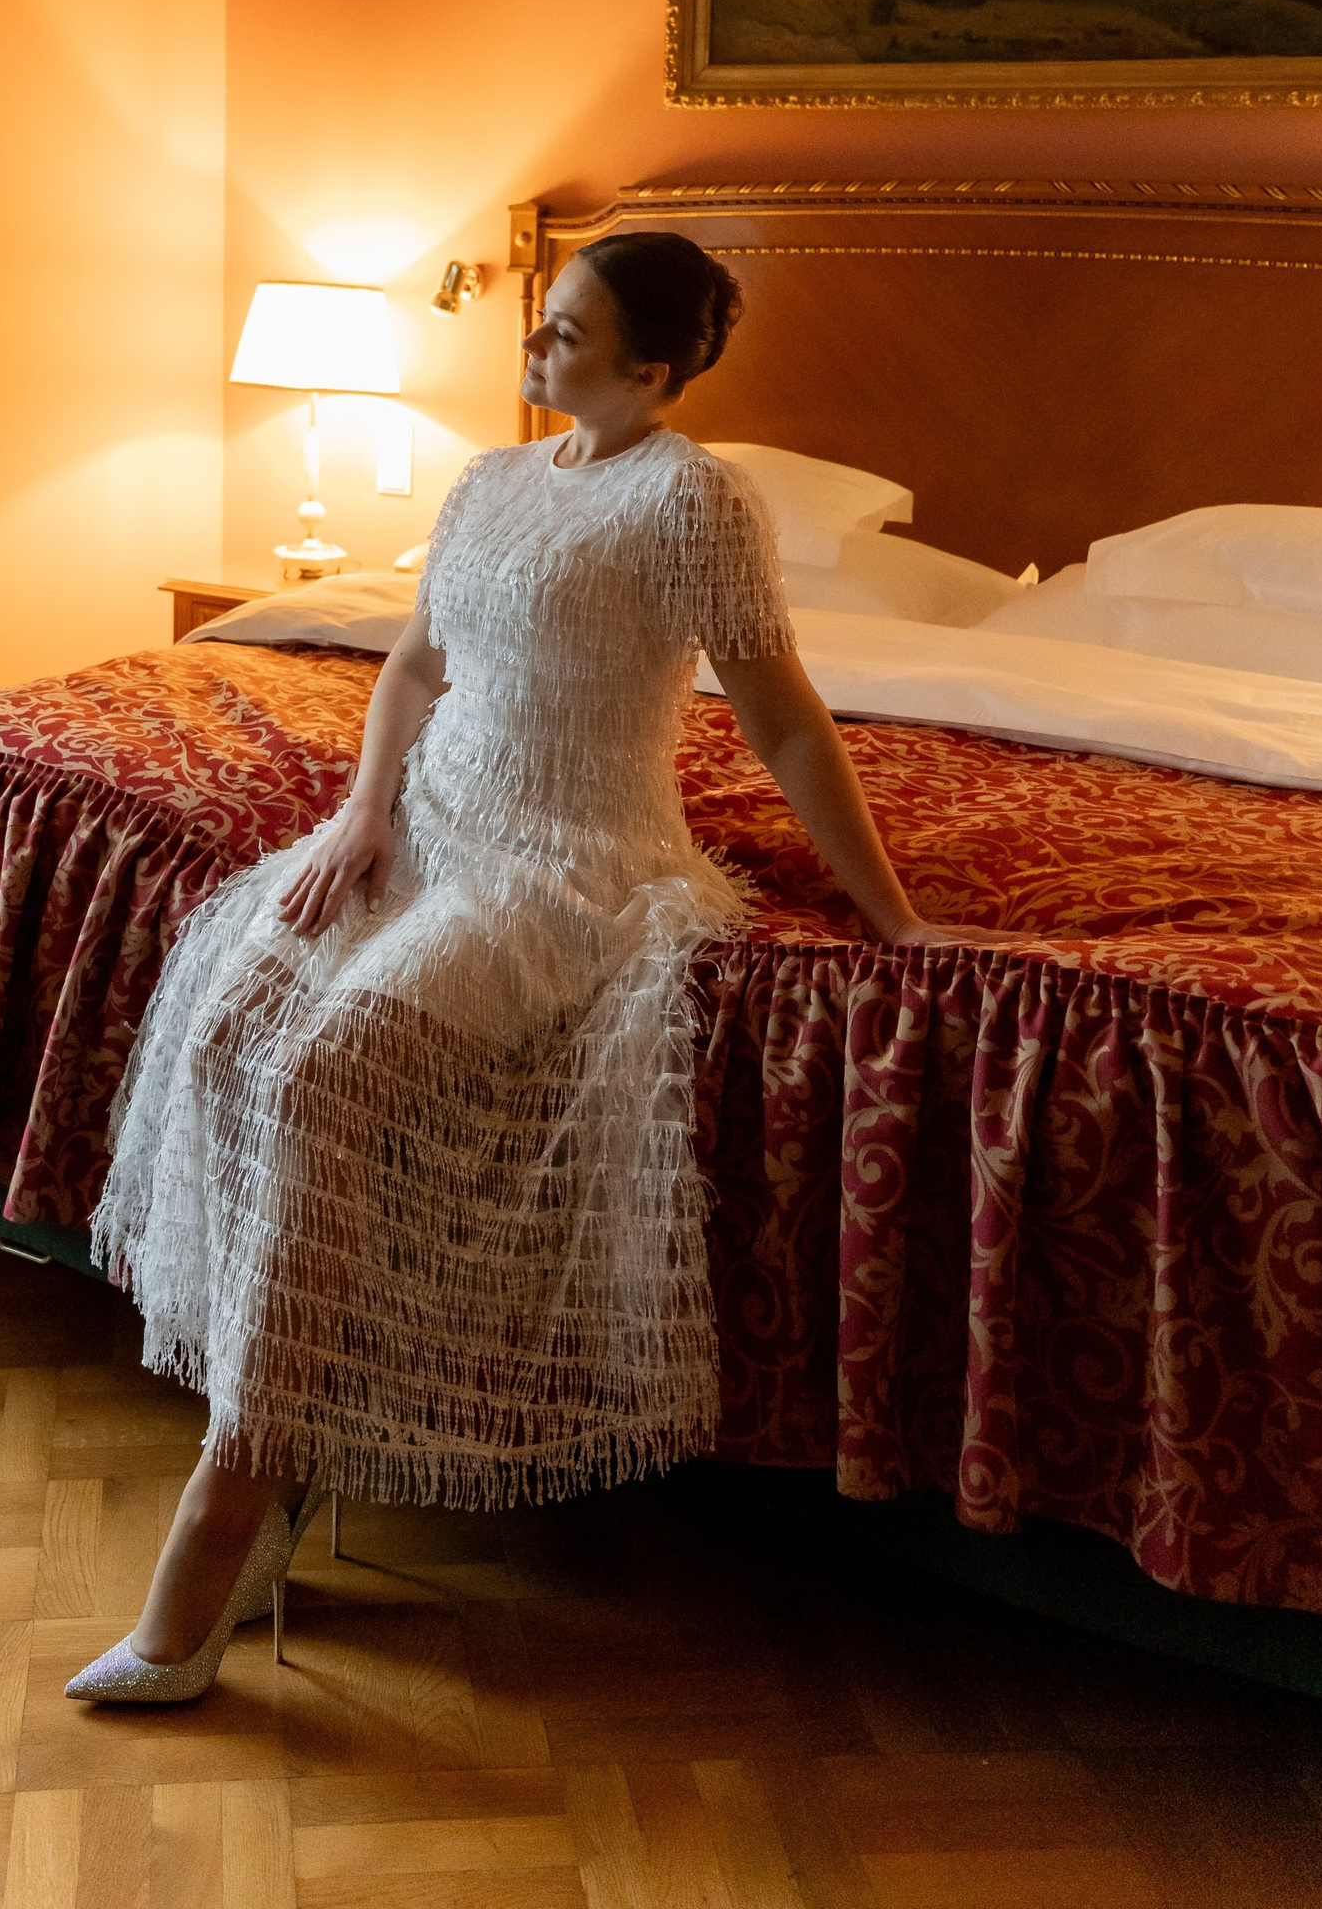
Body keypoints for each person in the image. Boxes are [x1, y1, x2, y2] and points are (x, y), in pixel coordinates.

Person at [69, 231, 1003, 1705]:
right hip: (424, 823)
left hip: (564, 863)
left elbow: (784, 720)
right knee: (230, 1029)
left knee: (324, 1079)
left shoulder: (694, 500)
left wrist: (889, 916)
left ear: (654, 367)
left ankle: (226, 1506)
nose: (533, 349)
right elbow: (414, 665)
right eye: (543, 321)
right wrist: (364, 812)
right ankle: (288, 1458)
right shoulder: (490, 480)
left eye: (567, 335)